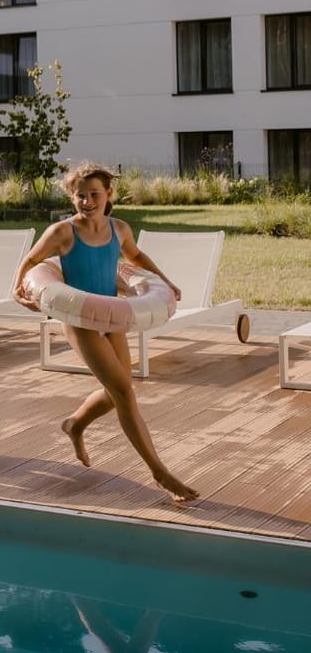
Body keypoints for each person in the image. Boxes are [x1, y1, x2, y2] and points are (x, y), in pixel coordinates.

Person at [13, 162, 198, 505]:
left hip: (111, 317)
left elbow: (136, 256)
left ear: (109, 194)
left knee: (117, 393)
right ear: (72, 198)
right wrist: (16, 290)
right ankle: (159, 472)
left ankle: (75, 424)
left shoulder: (120, 229)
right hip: (80, 321)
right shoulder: (63, 232)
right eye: (80, 196)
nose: (87, 201)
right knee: (124, 393)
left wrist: (166, 282)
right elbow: (32, 260)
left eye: (94, 194)